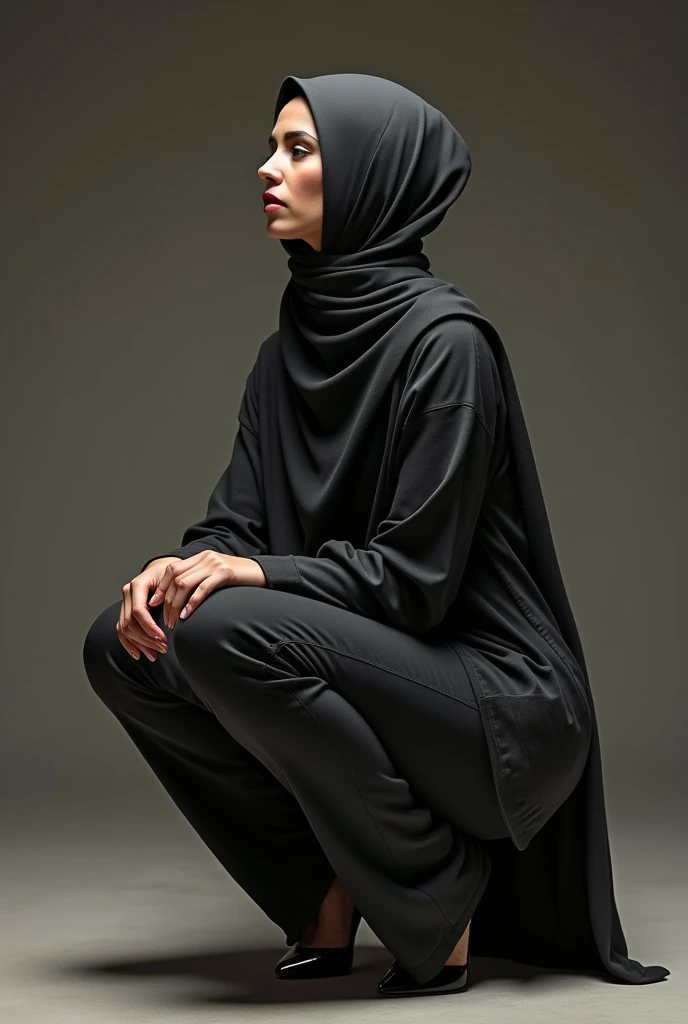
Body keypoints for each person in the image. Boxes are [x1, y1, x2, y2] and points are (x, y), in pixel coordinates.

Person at [82, 73, 670, 999]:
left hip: (495, 700)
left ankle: (437, 895)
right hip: (383, 668)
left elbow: (416, 583)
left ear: (372, 177)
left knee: (222, 625)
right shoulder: (284, 355)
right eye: (273, 146)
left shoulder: (448, 344)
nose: (268, 169)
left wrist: (249, 574)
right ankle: (324, 889)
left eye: (300, 150)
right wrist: (177, 564)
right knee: (128, 646)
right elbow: (235, 520)